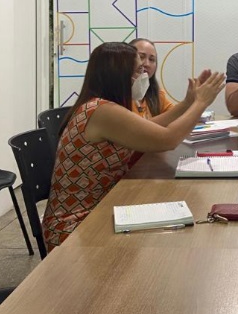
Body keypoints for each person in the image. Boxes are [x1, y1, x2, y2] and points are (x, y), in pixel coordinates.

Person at [42, 42, 225, 252]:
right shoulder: (102, 111)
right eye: (138, 70)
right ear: (120, 75)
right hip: (76, 226)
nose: (143, 75)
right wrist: (201, 103)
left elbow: (151, 128)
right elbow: (168, 139)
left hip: (101, 209)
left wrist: (187, 103)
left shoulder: (101, 106)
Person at [130, 37, 174, 117]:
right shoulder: (116, 97)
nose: (147, 64)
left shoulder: (156, 93)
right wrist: (187, 103)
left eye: (152, 59)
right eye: (141, 57)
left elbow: (175, 115)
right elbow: (141, 125)